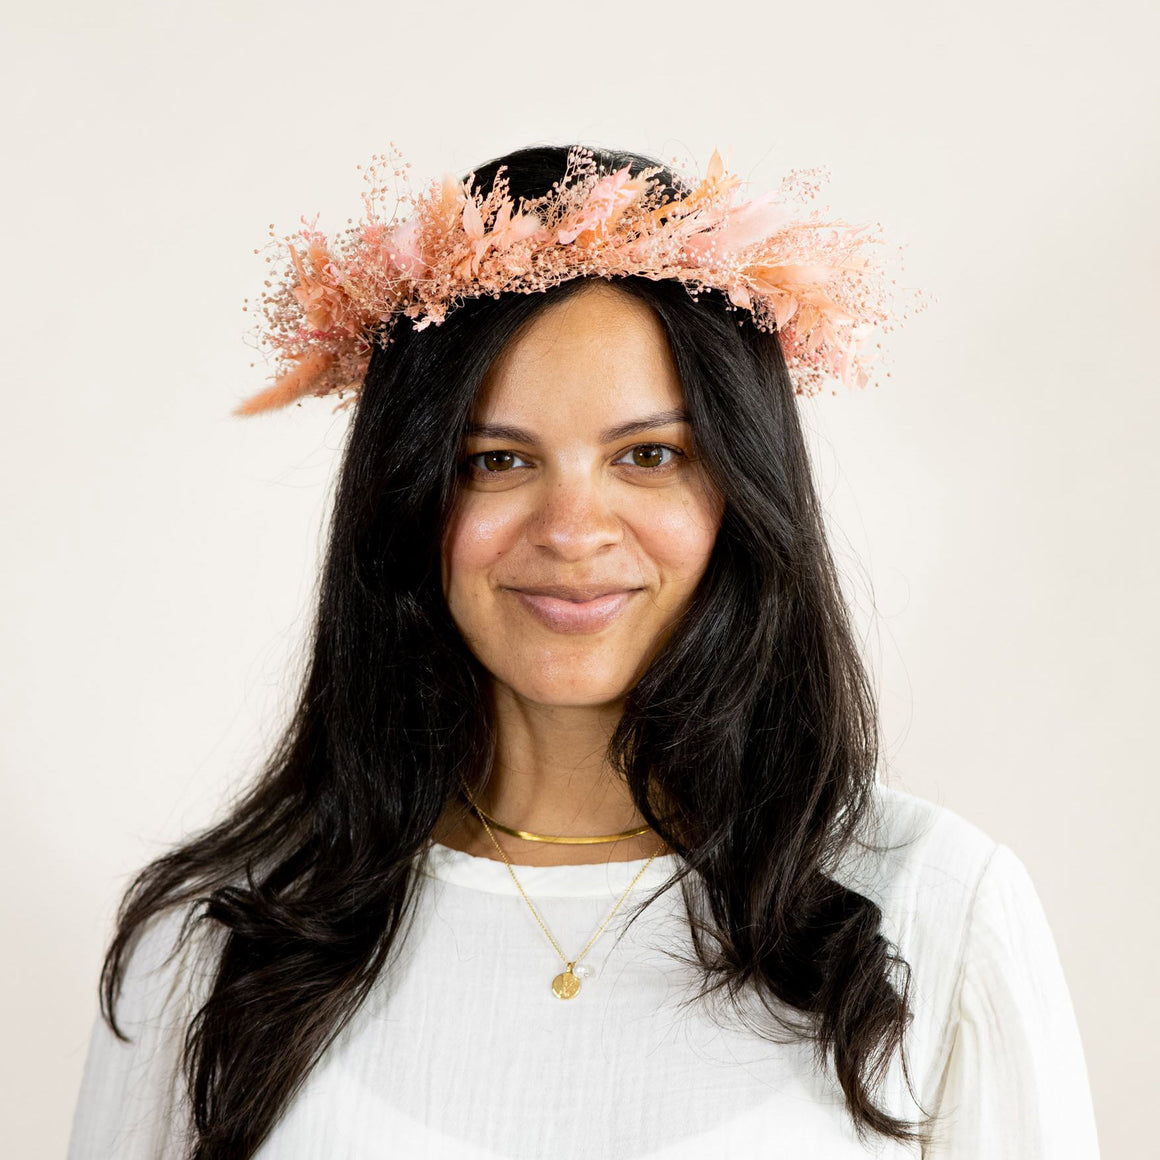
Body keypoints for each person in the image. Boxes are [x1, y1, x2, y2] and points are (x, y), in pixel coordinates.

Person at [66, 142, 1101, 1159]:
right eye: (496, 459)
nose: (571, 531)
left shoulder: (937, 904)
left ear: (744, 490)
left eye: (647, 455)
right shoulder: (220, 932)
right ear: (406, 497)